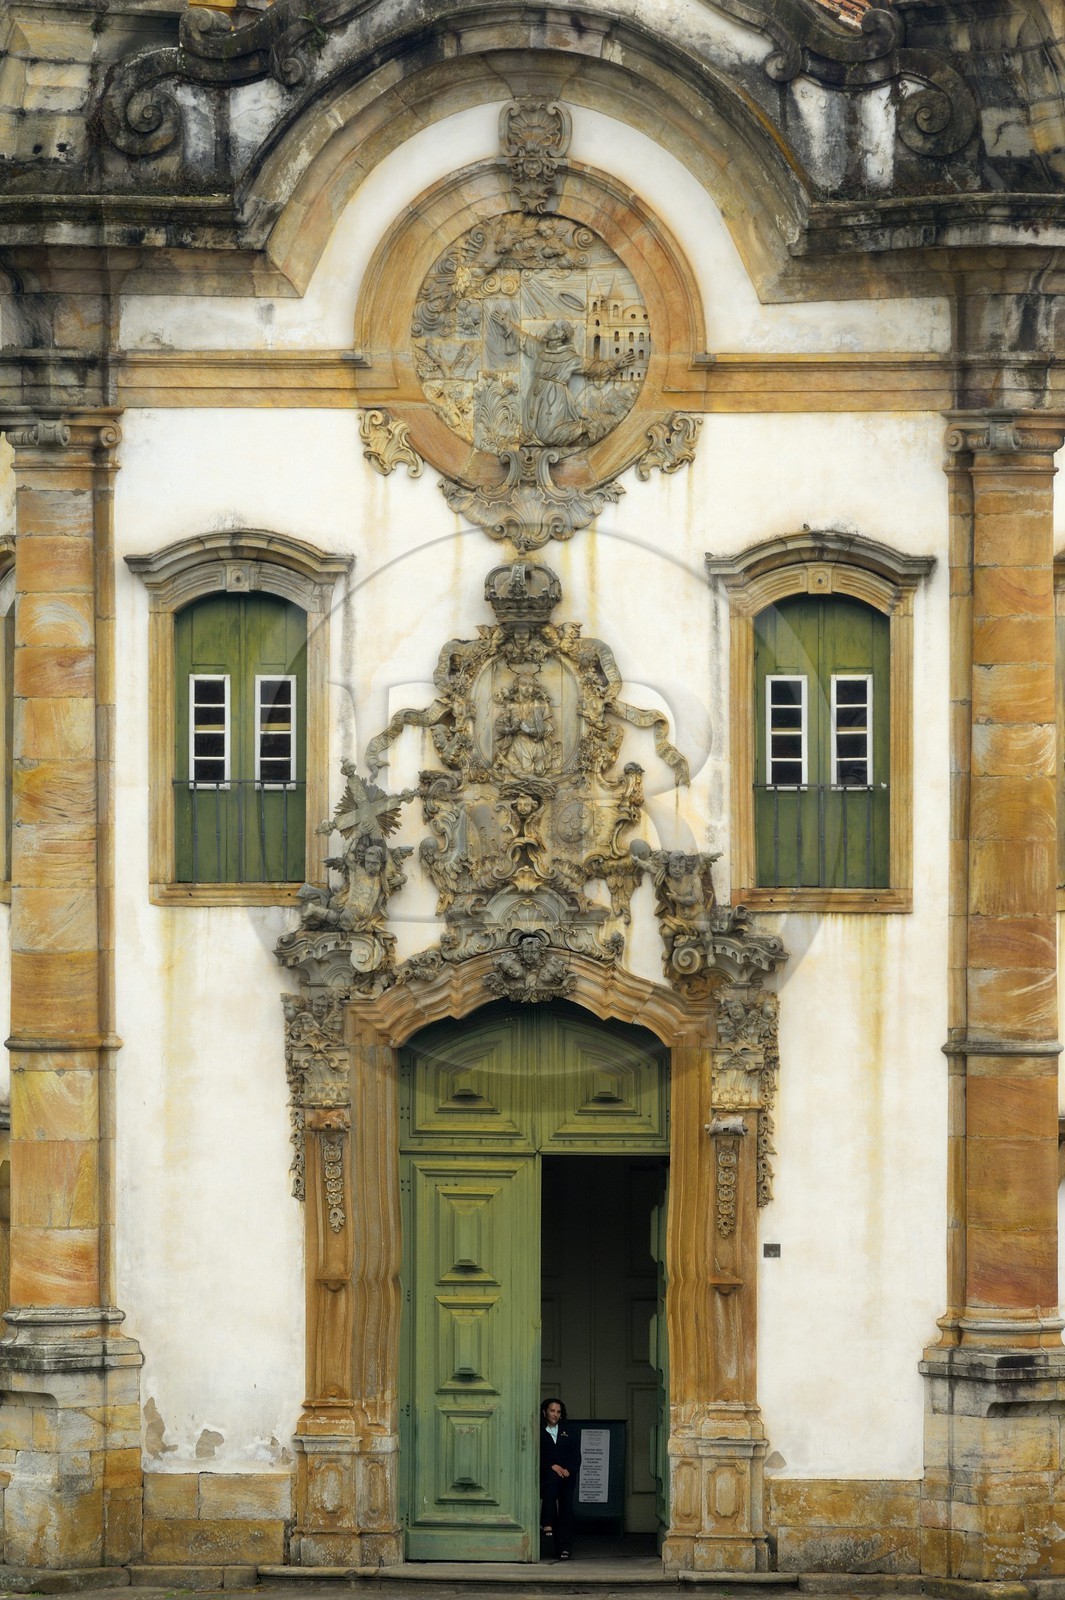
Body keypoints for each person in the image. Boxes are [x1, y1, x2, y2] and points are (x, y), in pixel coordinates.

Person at [539, 1397, 580, 1560]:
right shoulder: (539, 1431)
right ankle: (548, 1522)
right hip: (547, 1476)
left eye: (558, 1412)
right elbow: (536, 1454)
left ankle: (565, 1548)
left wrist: (568, 1469)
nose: (555, 1415)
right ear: (545, 1412)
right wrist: (552, 1466)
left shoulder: (568, 1431)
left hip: (567, 1477)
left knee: (566, 1511)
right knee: (551, 1483)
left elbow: (576, 1454)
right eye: (552, 1411)